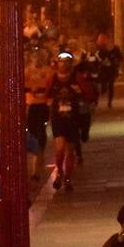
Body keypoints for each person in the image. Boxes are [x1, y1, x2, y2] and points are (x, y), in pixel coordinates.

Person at [47, 52, 81, 193]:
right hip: (58, 118)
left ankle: (67, 178)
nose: (64, 64)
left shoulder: (76, 77)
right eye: (61, 61)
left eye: (67, 62)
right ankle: (60, 171)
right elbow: (47, 95)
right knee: (60, 148)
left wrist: (79, 91)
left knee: (70, 151)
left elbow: (89, 92)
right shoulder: (52, 78)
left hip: (72, 118)